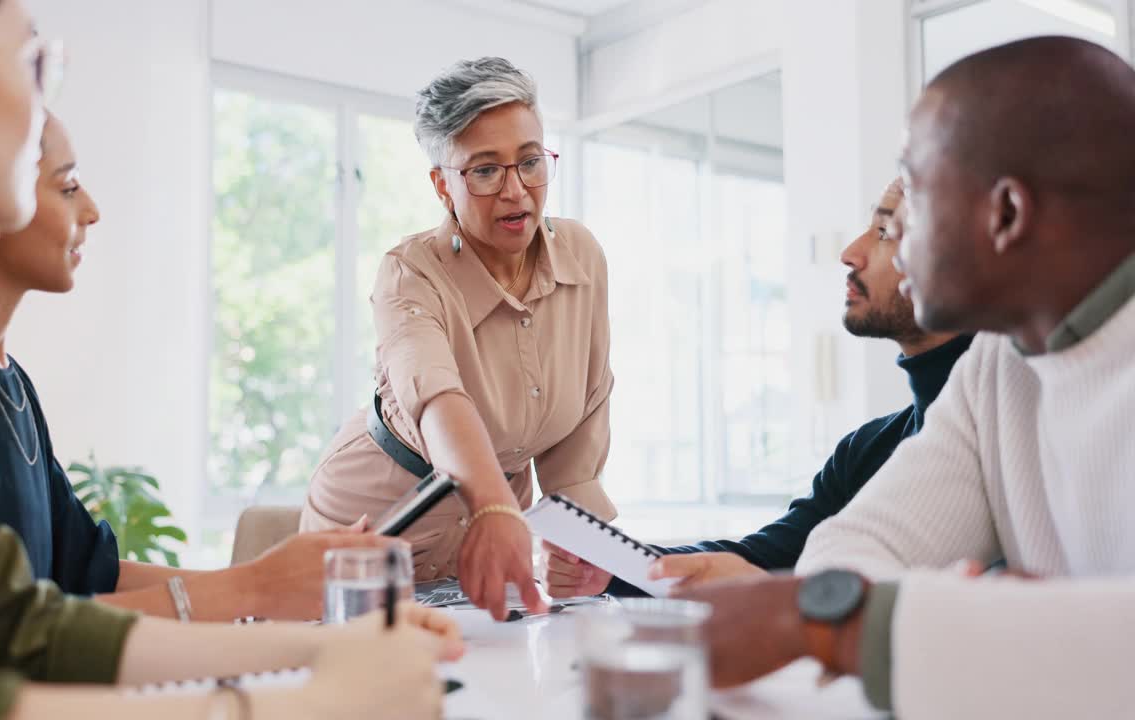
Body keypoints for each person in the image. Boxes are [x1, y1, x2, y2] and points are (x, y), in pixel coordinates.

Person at [0, 2, 460, 719]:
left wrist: (312, 653)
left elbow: (13, 621)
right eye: (31, 61)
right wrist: (289, 705)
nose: (44, 100)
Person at [674, 36, 1135, 718]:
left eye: (912, 196)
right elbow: (847, 547)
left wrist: (845, 623)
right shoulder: (996, 368)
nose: (885, 239)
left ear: (1004, 214)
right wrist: (982, 626)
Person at [0, 113, 399, 621]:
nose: (92, 210)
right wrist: (253, 588)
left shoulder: (9, 381)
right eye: (67, 187)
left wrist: (273, 584)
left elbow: (90, 571)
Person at [545, 179, 972, 598]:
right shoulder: (866, 450)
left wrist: (768, 592)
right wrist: (618, 570)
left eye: (884, 233)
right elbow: (764, 558)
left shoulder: (1002, 442)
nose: (850, 253)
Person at [300, 57, 617, 620]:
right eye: (485, 171)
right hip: (376, 521)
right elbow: (438, 400)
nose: (516, 190)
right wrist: (496, 507)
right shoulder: (410, 273)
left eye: (529, 161)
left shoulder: (581, 256)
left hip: (488, 538)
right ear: (442, 185)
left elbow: (583, 417)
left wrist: (585, 538)